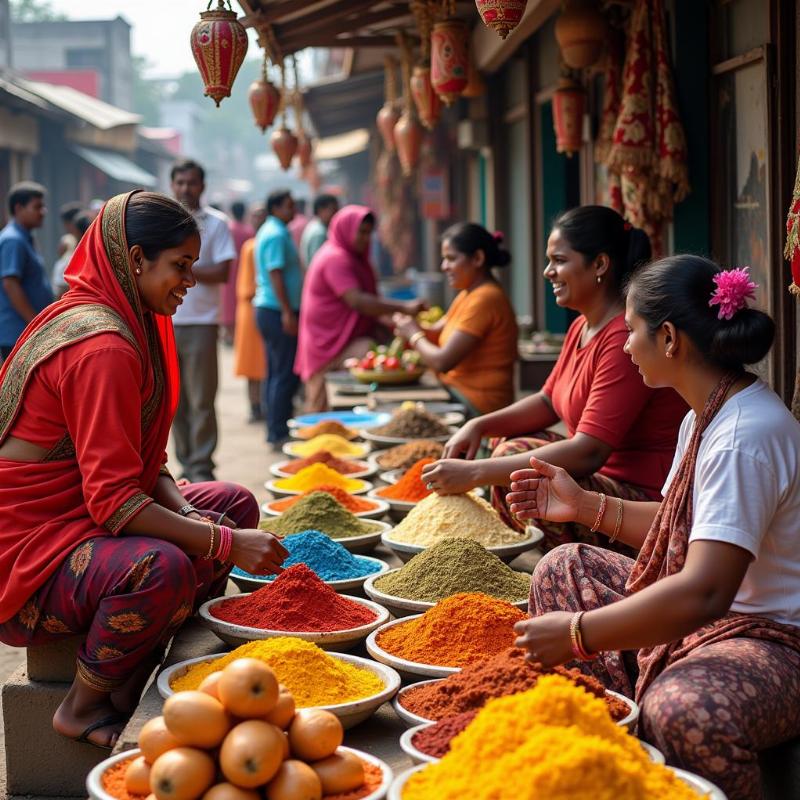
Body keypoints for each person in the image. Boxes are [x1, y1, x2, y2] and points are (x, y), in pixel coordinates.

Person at [0, 190, 287, 749]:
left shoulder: (122, 317)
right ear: (135, 260)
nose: (191, 282)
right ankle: (83, 705)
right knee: (164, 567)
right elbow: (113, 502)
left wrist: (195, 516)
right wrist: (222, 544)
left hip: (76, 514)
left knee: (230, 502)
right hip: (28, 555)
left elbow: (144, 464)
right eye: (180, 266)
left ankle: (143, 661)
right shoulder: (102, 345)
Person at [508, 255, 799, 800]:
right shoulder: (702, 415)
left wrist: (578, 634)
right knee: (563, 567)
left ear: (668, 339)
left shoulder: (745, 435)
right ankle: (614, 752)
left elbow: (708, 591)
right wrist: (581, 507)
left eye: (633, 330)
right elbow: (678, 529)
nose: (624, 345)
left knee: (683, 710)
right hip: (712, 618)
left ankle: (649, 739)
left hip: (773, 638)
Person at [422, 206, 686, 551]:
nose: (548, 272)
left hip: (638, 500)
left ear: (600, 265)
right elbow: (548, 401)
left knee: (518, 469)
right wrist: (479, 427)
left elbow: (589, 451)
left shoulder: (623, 335)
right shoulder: (582, 326)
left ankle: (572, 561)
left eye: (559, 260)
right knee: (510, 450)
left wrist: (474, 472)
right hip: (600, 481)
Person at [295, 205, 426, 413]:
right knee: (321, 406)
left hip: (343, 338)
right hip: (328, 341)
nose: (366, 238)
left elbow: (372, 302)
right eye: (361, 232)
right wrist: (404, 307)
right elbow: (358, 301)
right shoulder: (335, 258)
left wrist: (394, 320)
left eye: (369, 233)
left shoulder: (357, 258)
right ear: (346, 229)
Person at [393, 222, 518, 416]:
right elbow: (436, 335)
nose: (444, 267)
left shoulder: (486, 298)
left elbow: (443, 361)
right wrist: (408, 327)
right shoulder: (468, 294)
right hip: (457, 392)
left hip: (479, 405)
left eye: (451, 259)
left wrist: (414, 334)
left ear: (477, 258)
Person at [170, 159, 236, 482]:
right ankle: (184, 463)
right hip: (165, 321)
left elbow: (223, 271)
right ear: (172, 185)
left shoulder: (217, 224)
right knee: (172, 401)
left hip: (202, 323)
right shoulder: (163, 224)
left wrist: (178, 269)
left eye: (191, 183)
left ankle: (201, 467)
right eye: (180, 182)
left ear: (202, 186)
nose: (185, 188)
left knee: (201, 399)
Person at [254, 189, 302, 447]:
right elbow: (276, 273)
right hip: (276, 310)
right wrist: (287, 311)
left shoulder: (274, 230)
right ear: (275, 208)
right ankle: (278, 429)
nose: (293, 210)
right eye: (289, 206)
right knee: (284, 372)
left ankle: (275, 426)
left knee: (276, 371)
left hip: (272, 309)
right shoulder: (275, 234)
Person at [0, 182, 53, 361]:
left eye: (43, 206)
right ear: (19, 208)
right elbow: (10, 284)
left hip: (25, 332)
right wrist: (35, 324)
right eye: (37, 207)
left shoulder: (26, 238)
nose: (43, 211)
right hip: (17, 333)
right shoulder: (13, 240)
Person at [234, 203, 268, 423]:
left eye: (261, 216)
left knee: (264, 362)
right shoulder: (250, 246)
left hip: (261, 305)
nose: (257, 220)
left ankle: (264, 404)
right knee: (250, 364)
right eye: (254, 216)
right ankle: (254, 406)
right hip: (249, 306)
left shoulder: (265, 243)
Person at [222, 200, 255, 345]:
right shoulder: (249, 231)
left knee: (228, 302)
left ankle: (229, 333)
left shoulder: (228, 229)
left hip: (229, 271)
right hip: (245, 272)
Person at [299, 194, 339, 267]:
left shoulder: (314, 225)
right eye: (334, 210)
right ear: (321, 210)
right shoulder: (319, 233)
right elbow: (317, 263)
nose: (336, 214)